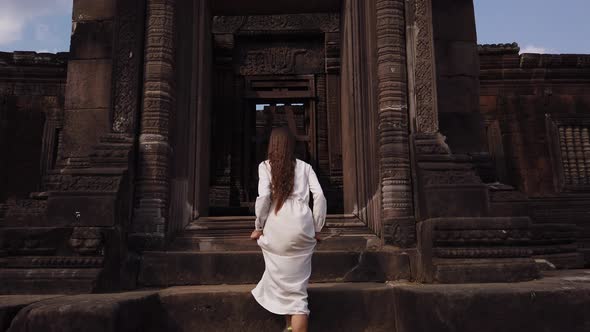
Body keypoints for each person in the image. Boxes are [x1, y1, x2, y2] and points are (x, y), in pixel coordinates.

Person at [250, 127, 327, 332]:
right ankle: (289, 326)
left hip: (277, 225)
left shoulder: (265, 166)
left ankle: (291, 325)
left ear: (272, 146)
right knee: (296, 289)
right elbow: (319, 197)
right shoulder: (305, 167)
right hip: (302, 226)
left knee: (284, 280)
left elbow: (264, 198)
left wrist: (259, 227)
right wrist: (317, 227)